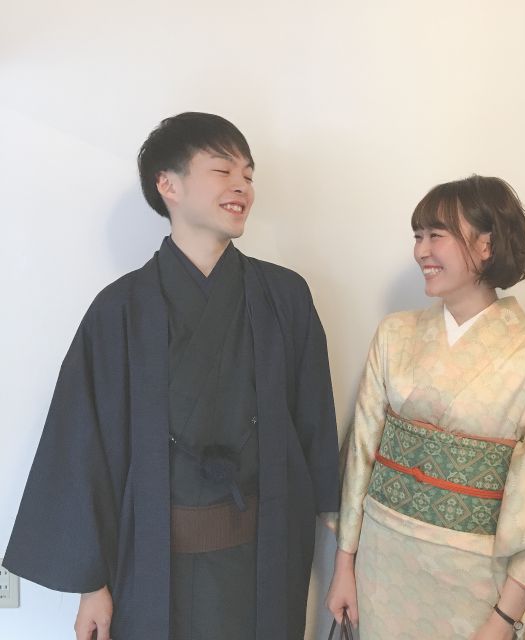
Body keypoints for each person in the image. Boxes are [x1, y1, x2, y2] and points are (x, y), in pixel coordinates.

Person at [4, 112, 340, 640]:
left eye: (248, 175)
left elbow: (313, 421)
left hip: (262, 560)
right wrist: (92, 586)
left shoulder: (285, 297)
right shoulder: (118, 311)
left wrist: (343, 555)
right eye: (222, 170)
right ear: (169, 185)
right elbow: (82, 446)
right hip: (150, 567)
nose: (242, 186)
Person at [326, 175, 525, 639]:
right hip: (382, 568)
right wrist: (344, 565)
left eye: (436, 235)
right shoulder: (394, 335)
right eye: (417, 236)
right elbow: (360, 456)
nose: (421, 251)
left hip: (478, 586)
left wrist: (504, 619)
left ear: (486, 244)